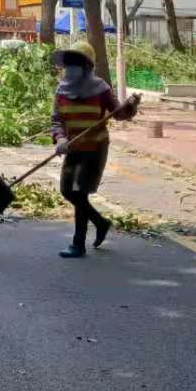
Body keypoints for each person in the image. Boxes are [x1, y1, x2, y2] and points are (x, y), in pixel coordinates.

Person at [50, 41, 140, 258]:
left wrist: (130, 106)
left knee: (79, 191)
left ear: (87, 66)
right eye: (68, 64)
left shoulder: (101, 89)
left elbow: (118, 114)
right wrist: (60, 138)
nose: (70, 68)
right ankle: (100, 223)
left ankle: (78, 244)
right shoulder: (61, 91)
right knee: (66, 190)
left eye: (75, 63)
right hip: (72, 148)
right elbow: (56, 120)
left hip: (95, 147)